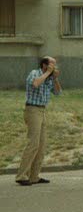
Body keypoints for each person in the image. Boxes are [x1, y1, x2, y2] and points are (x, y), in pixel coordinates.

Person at [15, 56, 62, 186]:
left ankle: (34, 176)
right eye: (52, 64)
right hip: (32, 110)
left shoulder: (49, 78)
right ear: (44, 65)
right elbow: (35, 84)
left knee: (41, 146)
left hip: (42, 111)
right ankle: (22, 175)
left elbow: (58, 92)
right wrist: (47, 73)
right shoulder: (35, 73)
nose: (55, 67)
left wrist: (55, 78)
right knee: (33, 143)